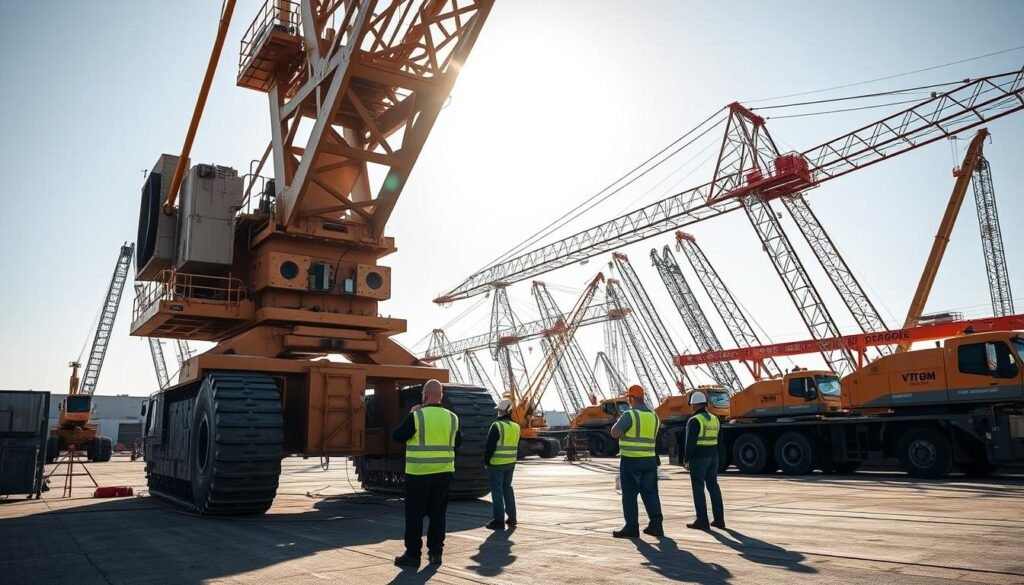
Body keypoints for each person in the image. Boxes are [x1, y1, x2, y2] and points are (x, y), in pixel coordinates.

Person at [391, 379, 462, 568]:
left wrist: (411, 414)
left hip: (419, 473)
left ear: (425, 395)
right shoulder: (453, 418)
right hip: (444, 474)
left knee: (415, 515)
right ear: (441, 396)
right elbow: (458, 443)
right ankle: (436, 553)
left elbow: (397, 436)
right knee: (438, 514)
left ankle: (413, 555)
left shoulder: (417, 416)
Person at [609, 384, 664, 538]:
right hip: (649, 460)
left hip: (631, 461)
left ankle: (632, 527)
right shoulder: (654, 416)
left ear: (632, 398)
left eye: (628, 398)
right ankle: (656, 525)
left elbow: (614, 432)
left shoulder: (630, 415)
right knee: (651, 492)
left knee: (630, 494)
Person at [683, 391, 725, 530]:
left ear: (694, 405)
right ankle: (719, 520)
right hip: (714, 456)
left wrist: (686, 459)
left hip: (699, 458)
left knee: (698, 488)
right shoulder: (715, 419)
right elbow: (720, 440)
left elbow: (690, 443)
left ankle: (702, 520)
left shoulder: (694, 420)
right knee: (713, 486)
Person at [484, 399, 520, 530]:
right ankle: (512, 517)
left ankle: (498, 521)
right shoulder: (516, 426)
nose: (499, 411)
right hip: (510, 463)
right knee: (507, 488)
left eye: (500, 409)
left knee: (497, 491)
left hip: (496, 463)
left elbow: (490, 447)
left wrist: (486, 461)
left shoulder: (497, 426)